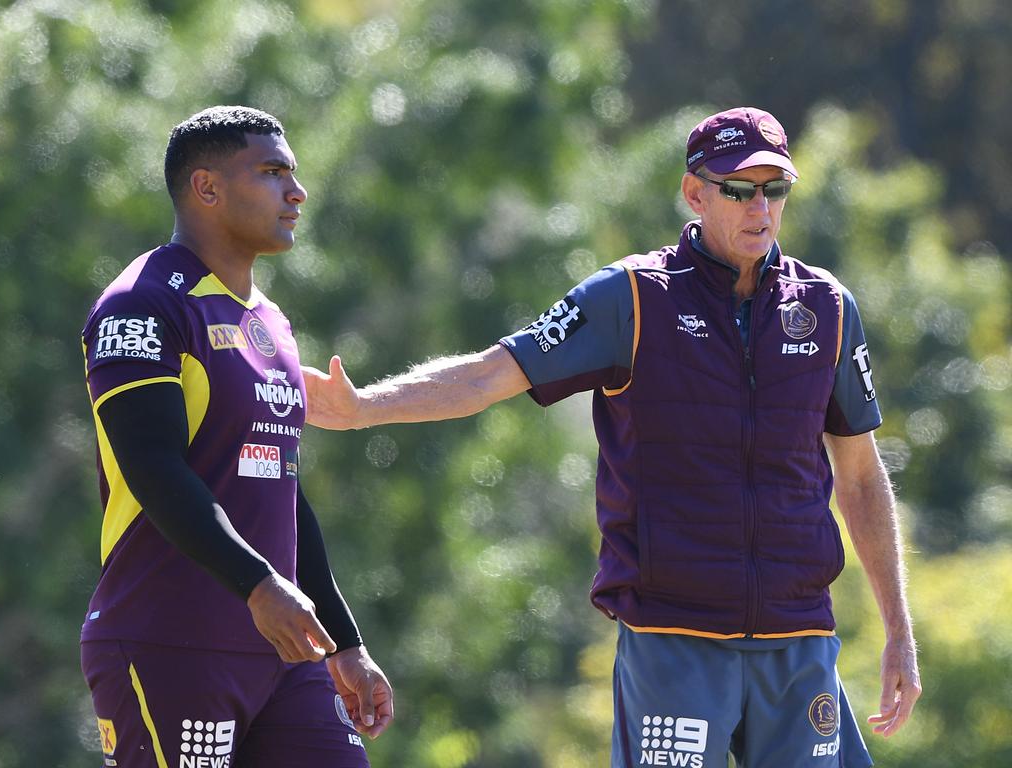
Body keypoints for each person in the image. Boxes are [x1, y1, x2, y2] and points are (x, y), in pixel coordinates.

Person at [303, 107, 921, 767]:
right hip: (672, 641)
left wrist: (899, 632)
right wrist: (364, 407)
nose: (760, 208)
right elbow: (490, 375)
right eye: (739, 190)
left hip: (798, 639)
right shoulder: (630, 298)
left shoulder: (826, 307)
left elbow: (859, 476)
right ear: (695, 193)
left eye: (774, 190)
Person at [80, 106, 392, 768]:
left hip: (282, 652)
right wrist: (255, 582)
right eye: (273, 172)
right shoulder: (141, 304)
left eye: (294, 174)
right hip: (169, 641)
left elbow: (281, 490)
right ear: (207, 188)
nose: (296, 192)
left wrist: (345, 642)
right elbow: (153, 467)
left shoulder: (269, 320)